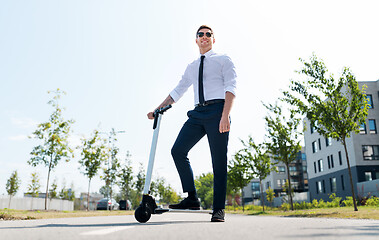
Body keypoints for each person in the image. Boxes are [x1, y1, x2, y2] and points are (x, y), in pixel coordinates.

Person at [147, 25, 236, 222]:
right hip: (198, 113)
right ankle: (192, 197)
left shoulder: (223, 60)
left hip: (217, 111)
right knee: (178, 150)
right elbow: (178, 91)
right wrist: (157, 109)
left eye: (208, 34)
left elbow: (231, 88)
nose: (204, 37)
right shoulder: (192, 66)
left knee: (218, 162)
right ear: (196, 40)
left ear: (214, 39)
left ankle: (219, 209)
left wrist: (225, 115)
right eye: (200, 35)